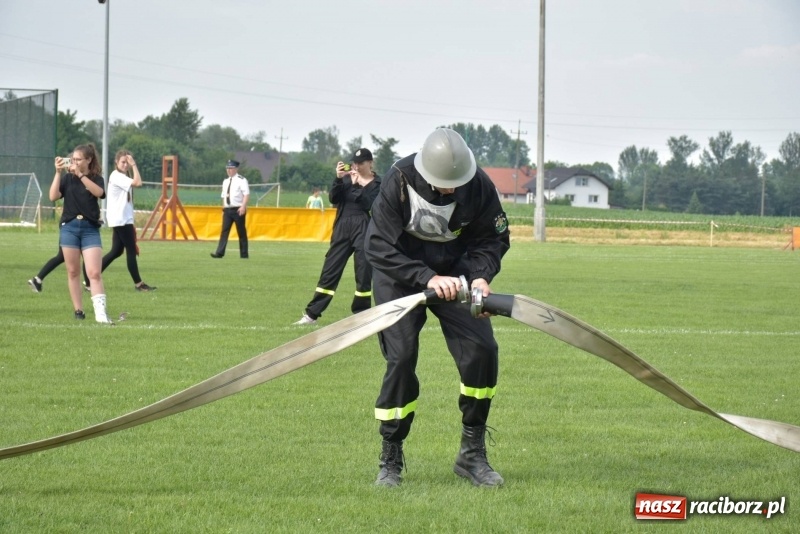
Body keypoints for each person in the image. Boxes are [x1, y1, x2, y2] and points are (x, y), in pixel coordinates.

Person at [364, 128, 510, 487]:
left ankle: (471, 454)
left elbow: (492, 239)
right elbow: (378, 246)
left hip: (456, 277)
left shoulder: (478, 185)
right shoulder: (399, 181)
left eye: (457, 184)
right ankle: (390, 457)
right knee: (401, 358)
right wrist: (426, 277)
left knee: (482, 350)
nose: (451, 191)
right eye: (445, 185)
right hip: (399, 277)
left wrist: (481, 277)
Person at [293, 148, 381, 325]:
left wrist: (357, 185)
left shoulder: (379, 183)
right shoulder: (346, 178)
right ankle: (311, 315)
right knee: (330, 271)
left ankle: (361, 315)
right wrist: (339, 179)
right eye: (355, 163)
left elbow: (368, 204)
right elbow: (334, 198)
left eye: (361, 163)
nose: (357, 166)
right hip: (342, 227)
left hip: (364, 227)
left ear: (370, 163)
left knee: (363, 273)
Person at [50, 144, 113, 324]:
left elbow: (99, 193)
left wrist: (80, 175)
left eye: (79, 159)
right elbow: (53, 196)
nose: (75, 162)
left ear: (89, 160)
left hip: (90, 229)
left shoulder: (96, 178)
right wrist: (57, 173)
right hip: (69, 227)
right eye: (73, 159)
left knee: (94, 272)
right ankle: (78, 310)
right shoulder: (67, 178)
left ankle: (100, 313)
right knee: (73, 271)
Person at [82, 149, 156, 292]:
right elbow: (138, 182)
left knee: (116, 252)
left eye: (127, 162)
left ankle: (89, 279)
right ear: (116, 162)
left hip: (121, 219)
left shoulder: (121, 176)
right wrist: (134, 165)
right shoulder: (117, 176)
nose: (126, 165)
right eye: (123, 162)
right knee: (131, 250)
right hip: (122, 220)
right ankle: (139, 284)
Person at [210, 160, 249, 259]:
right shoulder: (225, 181)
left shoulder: (241, 180)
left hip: (238, 209)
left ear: (236, 169)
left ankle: (244, 254)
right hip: (228, 210)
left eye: (231, 168)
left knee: (241, 232)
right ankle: (219, 252)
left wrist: (243, 206)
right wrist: (224, 208)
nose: (229, 170)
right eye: (227, 168)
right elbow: (224, 196)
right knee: (224, 231)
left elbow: (246, 194)